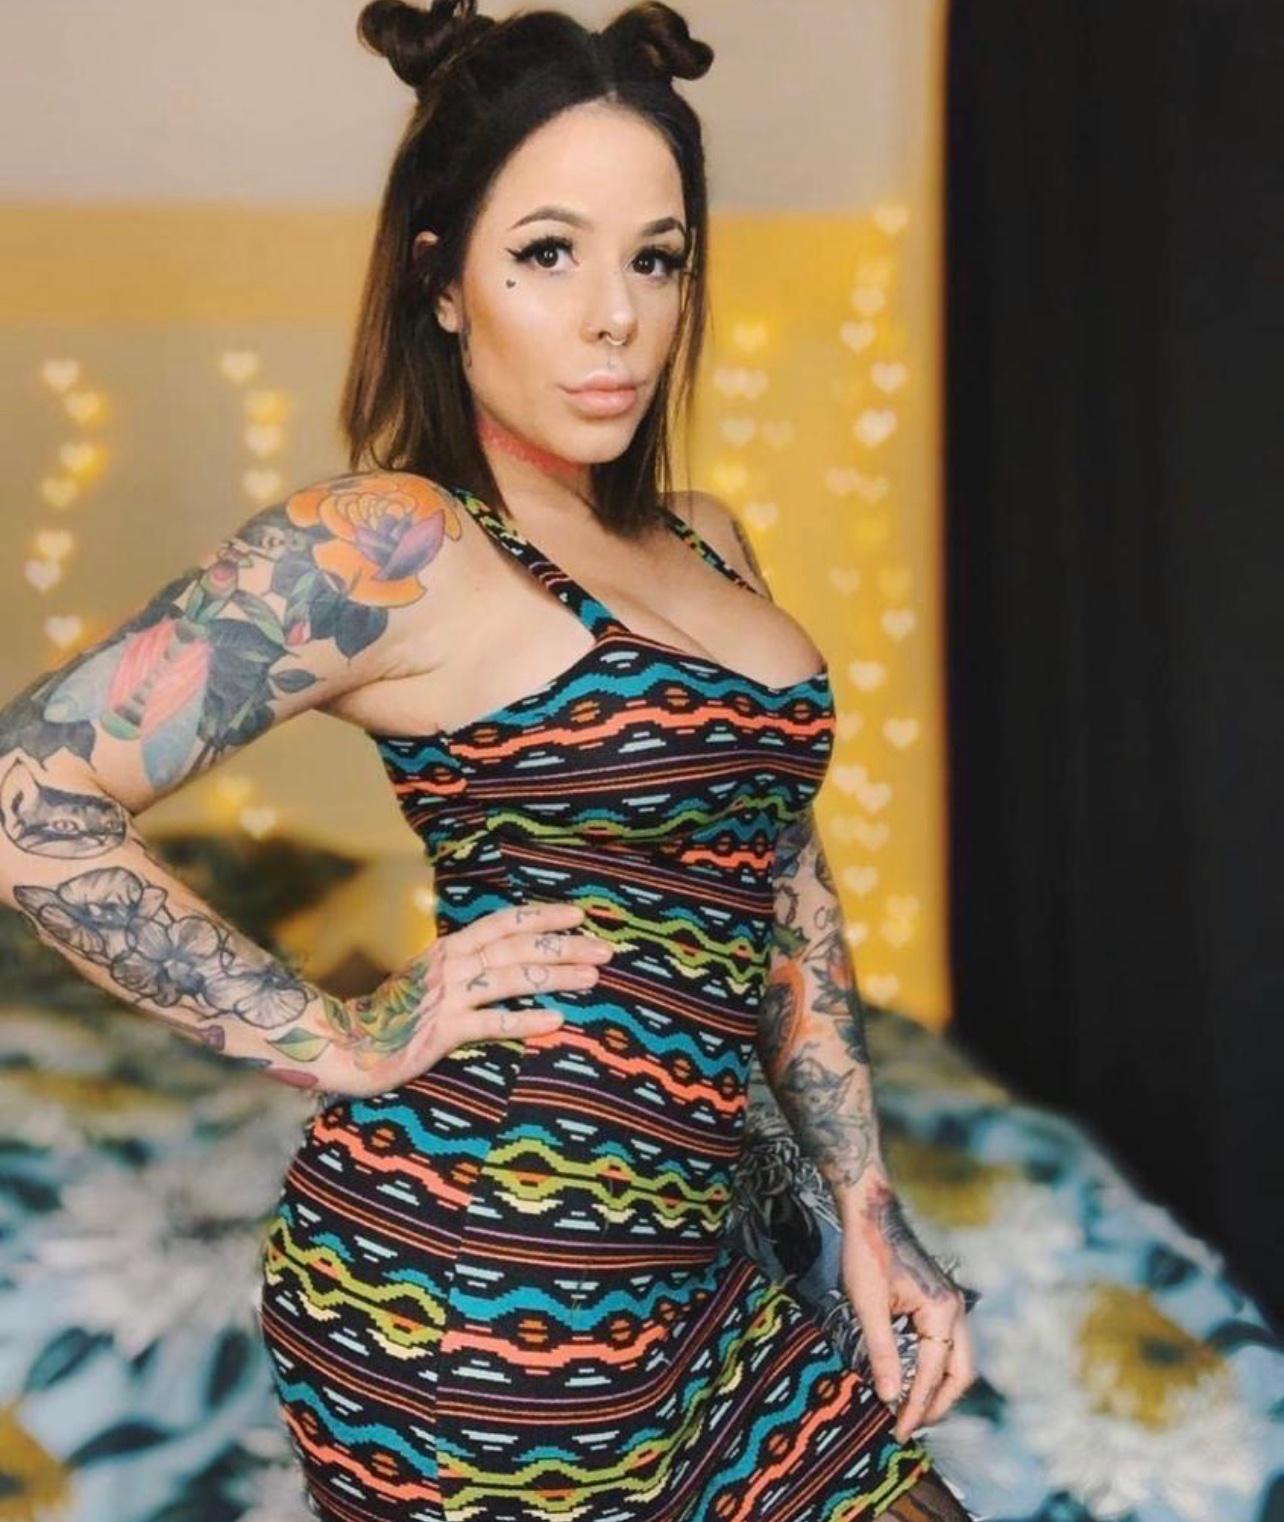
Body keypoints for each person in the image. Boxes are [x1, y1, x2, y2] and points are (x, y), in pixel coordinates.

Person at [0, 1, 978, 1517]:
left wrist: (865, 1205)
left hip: (708, 1272)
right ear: (441, 281)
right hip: (474, 1307)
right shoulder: (392, 543)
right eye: (547, 253)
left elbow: (774, 875)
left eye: (655, 257)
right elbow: (29, 798)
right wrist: (339, 1035)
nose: (615, 316)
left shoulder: (706, 541)